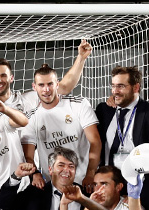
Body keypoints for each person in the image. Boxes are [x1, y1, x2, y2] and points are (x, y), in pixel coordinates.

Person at [94, 66, 149, 209]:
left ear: (136, 87)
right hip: (110, 191)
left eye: (121, 86)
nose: (115, 91)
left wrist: (141, 193)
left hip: (143, 192)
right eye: (114, 86)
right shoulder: (104, 111)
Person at [21, 62, 101, 192]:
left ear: (57, 84)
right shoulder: (31, 118)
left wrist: (90, 173)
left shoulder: (79, 104)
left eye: (50, 84)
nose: (46, 89)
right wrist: (34, 174)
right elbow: (28, 155)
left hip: (84, 181)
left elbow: (95, 141)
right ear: (34, 87)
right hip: (53, 185)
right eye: (41, 85)